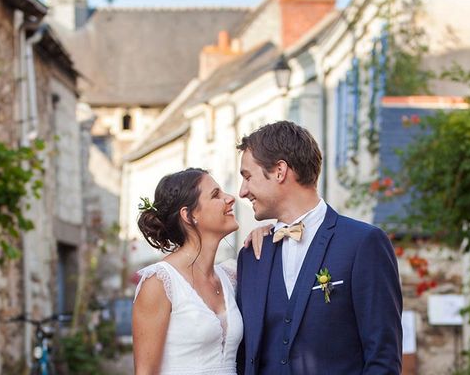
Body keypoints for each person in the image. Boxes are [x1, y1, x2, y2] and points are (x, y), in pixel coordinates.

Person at [236, 121, 403, 375]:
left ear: (280, 171)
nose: (242, 191)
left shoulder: (362, 244)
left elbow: (383, 358)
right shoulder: (252, 255)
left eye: (248, 176)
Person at [132, 168, 242, 375]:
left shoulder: (230, 277)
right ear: (189, 215)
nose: (230, 198)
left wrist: (264, 233)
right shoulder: (159, 283)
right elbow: (145, 371)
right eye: (216, 195)